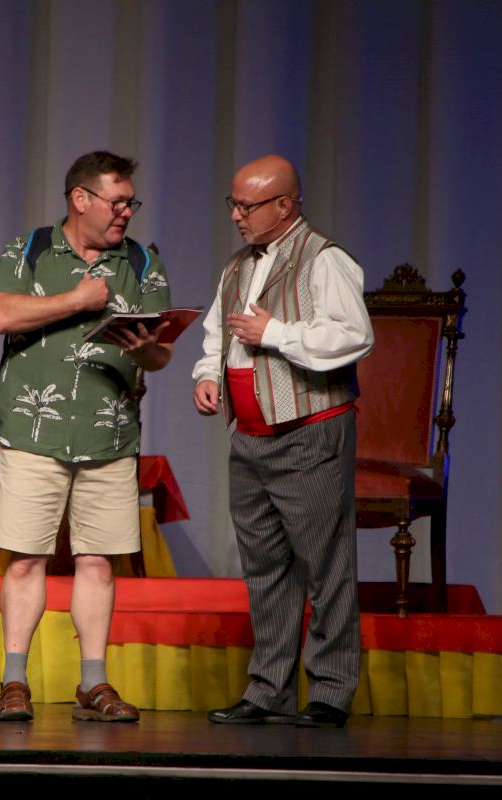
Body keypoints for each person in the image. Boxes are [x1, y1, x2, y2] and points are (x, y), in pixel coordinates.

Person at [0, 151, 172, 723]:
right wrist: (79, 300)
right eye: (117, 202)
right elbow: (1, 315)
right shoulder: (30, 250)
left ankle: (93, 683)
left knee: (99, 564)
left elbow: (161, 354)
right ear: (80, 199)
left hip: (109, 436)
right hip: (33, 430)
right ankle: (14, 681)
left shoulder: (140, 261)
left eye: (131, 203)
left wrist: (150, 350)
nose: (126, 213)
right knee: (25, 561)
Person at [192, 154, 373, 728]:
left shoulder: (324, 259)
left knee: (325, 565)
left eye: (247, 206)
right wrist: (207, 374)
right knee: (265, 568)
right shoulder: (237, 266)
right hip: (250, 437)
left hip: (308, 432)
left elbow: (352, 335)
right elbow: (218, 333)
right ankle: (268, 689)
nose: (236, 215)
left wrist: (276, 333)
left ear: (285, 204)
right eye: (233, 204)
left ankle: (331, 691)